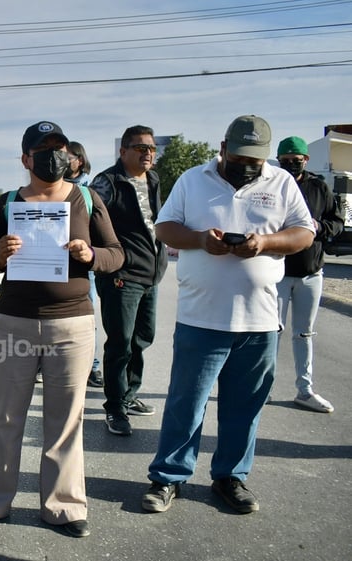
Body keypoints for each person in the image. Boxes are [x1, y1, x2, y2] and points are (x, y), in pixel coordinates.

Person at [142, 115, 315, 515]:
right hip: (201, 317)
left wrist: (266, 242)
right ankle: (168, 477)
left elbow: (304, 232)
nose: (247, 166)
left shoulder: (281, 183)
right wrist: (201, 240)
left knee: (244, 406)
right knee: (187, 404)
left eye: (255, 160)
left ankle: (230, 478)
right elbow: (165, 228)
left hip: (259, 322)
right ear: (222, 148)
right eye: (239, 157)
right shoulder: (192, 179)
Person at [0, 121, 124, 538]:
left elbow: (116, 255)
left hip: (72, 324)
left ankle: (64, 506)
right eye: (44, 149)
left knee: (66, 420)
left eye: (59, 147)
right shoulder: (7, 204)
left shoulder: (87, 200)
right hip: (14, 321)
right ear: (26, 159)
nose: (54, 155)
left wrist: (90, 254)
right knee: (4, 415)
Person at [90, 125, 168, 436]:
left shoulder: (154, 179)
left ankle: (129, 394)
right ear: (123, 152)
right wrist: (108, 261)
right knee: (120, 343)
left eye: (151, 148)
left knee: (141, 339)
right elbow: (90, 223)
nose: (147, 152)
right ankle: (115, 408)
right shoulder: (107, 182)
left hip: (151, 275)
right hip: (122, 276)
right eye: (139, 147)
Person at [275, 136, 344, 413]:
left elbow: (336, 222)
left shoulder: (319, 187)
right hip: (277, 272)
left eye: (296, 160)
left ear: (306, 160)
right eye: (285, 161)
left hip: (310, 273)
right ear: (278, 161)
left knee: (304, 334)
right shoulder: (271, 185)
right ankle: (261, 388)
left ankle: (304, 390)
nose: (291, 165)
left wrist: (318, 227)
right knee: (271, 333)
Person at [65, 141, 103, 388]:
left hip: (82, 264)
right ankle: (42, 364)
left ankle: (93, 366)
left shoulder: (91, 190)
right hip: (52, 263)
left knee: (85, 317)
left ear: (80, 160)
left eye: (67, 156)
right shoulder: (52, 188)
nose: (62, 161)